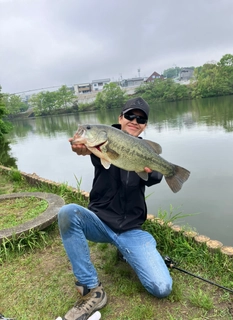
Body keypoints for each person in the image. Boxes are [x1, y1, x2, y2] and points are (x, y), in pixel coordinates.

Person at [58, 97, 172, 320]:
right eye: (130, 115)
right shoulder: (102, 140)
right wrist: (81, 147)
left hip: (131, 228)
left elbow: (155, 176)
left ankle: (131, 250)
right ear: (120, 118)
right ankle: (92, 290)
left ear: (145, 125)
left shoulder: (144, 148)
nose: (135, 121)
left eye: (141, 118)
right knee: (67, 212)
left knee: (162, 288)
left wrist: (155, 170)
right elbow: (83, 149)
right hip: (100, 223)